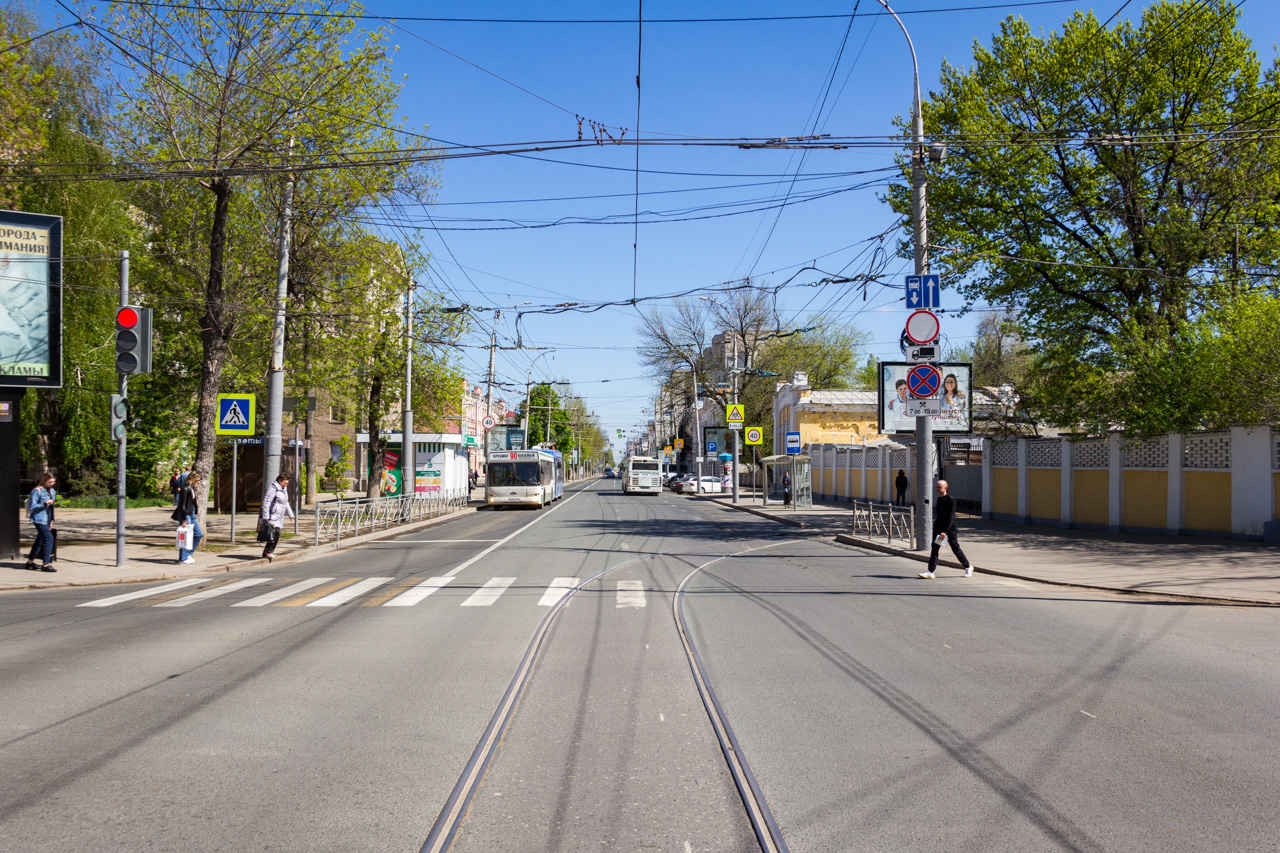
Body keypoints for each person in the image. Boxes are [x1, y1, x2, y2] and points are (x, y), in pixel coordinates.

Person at [918, 479, 973, 579]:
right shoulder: (939, 499)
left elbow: (951, 517)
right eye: (936, 487)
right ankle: (930, 571)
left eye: (940, 487)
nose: (937, 489)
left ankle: (968, 566)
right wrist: (938, 529)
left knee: (955, 548)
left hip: (949, 530)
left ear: (946, 488)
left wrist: (945, 531)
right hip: (940, 529)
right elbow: (940, 516)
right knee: (935, 548)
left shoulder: (950, 500)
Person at [25, 471, 58, 572]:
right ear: (44, 481)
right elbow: (33, 506)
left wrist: (51, 520)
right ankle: (45, 564)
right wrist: (44, 503)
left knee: (39, 540)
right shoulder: (37, 491)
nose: (52, 484)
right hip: (39, 519)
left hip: (47, 518)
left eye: (53, 482)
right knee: (49, 539)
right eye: (50, 482)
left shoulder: (52, 491)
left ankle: (30, 562)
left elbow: (52, 508)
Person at [260, 473, 295, 563]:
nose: (286, 485)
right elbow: (266, 503)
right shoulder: (273, 489)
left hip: (279, 517)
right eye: (285, 483)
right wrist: (266, 516)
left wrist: (290, 514)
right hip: (272, 516)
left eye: (287, 483)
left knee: (275, 534)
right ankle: (268, 552)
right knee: (275, 533)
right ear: (280, 481)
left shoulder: (283, 490)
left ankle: (267, 552)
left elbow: (285, 503)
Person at [175, 470, 204, 564]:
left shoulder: (192, 488)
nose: (199, 482)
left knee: (199, 533)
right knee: (186, 535)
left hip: (191, 514)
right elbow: (182, 505)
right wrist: (184, 519)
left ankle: (189, 553)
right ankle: (183, 558)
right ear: (193, 479)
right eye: (198, 480)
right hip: (185, 514)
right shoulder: (185, 489)